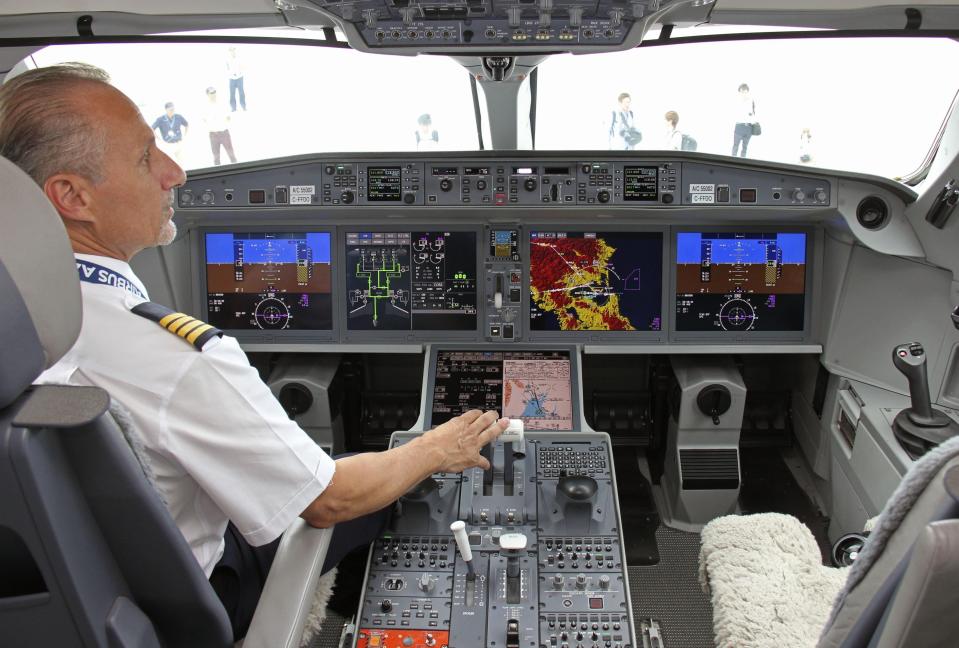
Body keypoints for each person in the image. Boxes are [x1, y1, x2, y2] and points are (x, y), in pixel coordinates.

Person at [0, 63, 510, 641]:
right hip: (187, 603)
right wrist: (434, 446)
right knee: (380, 490)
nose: (175, 172)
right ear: (72, 196)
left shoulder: (14, 323)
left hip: (69, 599)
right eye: (146, 157)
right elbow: (329, 501)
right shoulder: (176, 358)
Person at [202, 86, 237, 165]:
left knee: (231, 155)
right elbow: (204, 120)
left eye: (214, 92)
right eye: (211, 93)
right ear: (207, 94)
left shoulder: (222, 103)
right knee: (216, 157)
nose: (213, 94)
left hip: (224, 133)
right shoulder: (205, 106)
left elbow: (229, 117)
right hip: (213, 134)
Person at [731, 83, 758, 157]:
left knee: (745, 148)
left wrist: (752, 119)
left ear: (747, 91)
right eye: (741, 91)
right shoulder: (736, 101)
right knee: (735, 147)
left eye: (745, 91)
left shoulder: (751, 101)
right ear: (739, 92)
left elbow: (753, 114)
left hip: (748, 127)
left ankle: (742, 164)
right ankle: (732, 164)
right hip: (739, 126)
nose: (743, 93)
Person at [226, 46, 246, 112]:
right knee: (232, 94)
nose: (232, 51)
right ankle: (233, 108)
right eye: (231, 50)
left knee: (241, 93)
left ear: (235, 50)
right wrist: (231, 74)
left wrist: (238, 73)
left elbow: (242, 67)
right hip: (231, 79)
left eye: (233, 50)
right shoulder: (227, 60)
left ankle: (243, 107)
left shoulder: (239, 58)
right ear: (229, 51)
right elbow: (227, 69)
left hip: (240, 78)